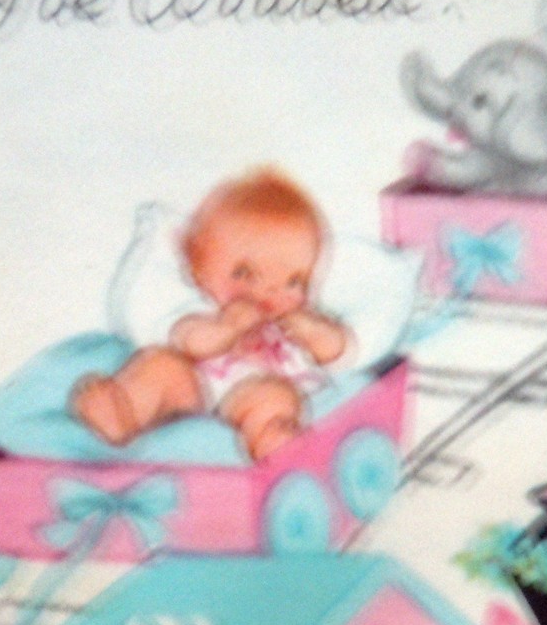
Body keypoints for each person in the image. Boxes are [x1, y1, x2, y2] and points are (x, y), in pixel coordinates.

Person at [73, 168, 350, 460]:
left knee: (275, 395)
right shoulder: (201, 311)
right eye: (244, 274)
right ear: (199, 274)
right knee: (160, 363)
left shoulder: (293, 327)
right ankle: (122, 412)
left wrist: (315, 332)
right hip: (197, 395)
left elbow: (336, 350)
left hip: (255, 396)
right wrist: (227, 328)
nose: (270, 292)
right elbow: (188, 340)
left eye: (294, 282)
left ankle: (273, 439)